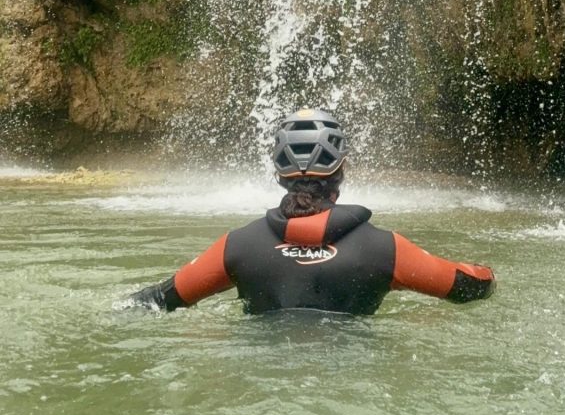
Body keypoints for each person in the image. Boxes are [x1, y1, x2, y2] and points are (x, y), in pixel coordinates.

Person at [127, 109, 496, 314]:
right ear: (342, 168)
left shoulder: (238, 247)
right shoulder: (385, 251)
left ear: (278, 173)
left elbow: (160, 300)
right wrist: (490, 275)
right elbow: (469, 287)